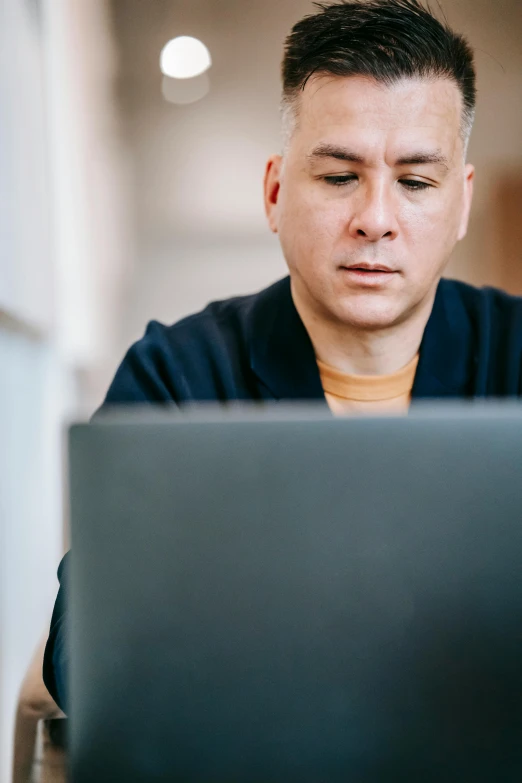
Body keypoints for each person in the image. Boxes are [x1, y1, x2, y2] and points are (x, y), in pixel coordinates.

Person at [43, 0, 522, 712]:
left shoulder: (513, 355)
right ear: (274, 192)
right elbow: (86, 651)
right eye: (338, 177)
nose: (376, 219)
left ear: (459, 204)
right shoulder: (179, 375)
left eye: (416, 182)